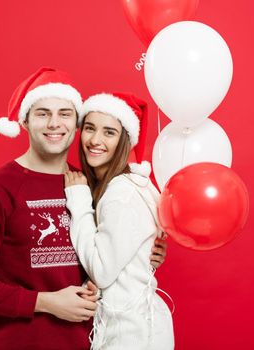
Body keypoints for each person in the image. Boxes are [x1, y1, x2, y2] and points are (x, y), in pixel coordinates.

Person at [0, 68, 167, 350]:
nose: (54, 123)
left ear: (76, 123)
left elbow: (103, 255)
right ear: (26, 121)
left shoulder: (86, 186)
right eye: (42, 113)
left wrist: (144, 253)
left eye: (65, 114)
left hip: (88, 342)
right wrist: (46, 303)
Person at [64, 92, 175, 349]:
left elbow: (102, 271)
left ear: (124, 140)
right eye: (90, 128)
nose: (95, 140)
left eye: (109, 132)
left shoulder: (120, 193)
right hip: (136, 324)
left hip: (130, 332)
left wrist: (79, 202)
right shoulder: (126, 185)